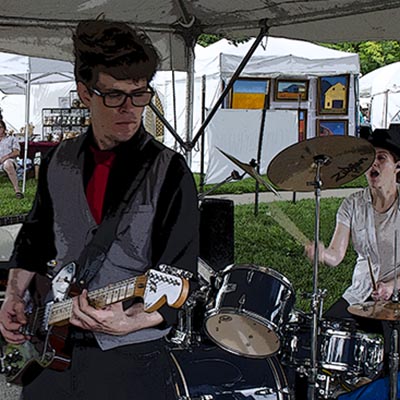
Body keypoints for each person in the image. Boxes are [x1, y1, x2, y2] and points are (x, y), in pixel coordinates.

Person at [0, 19, 199, 400]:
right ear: (84, 93)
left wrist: (130, 322)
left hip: (129, 360)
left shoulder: (170, 172)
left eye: (139, 95)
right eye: (114, 95)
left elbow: (180, 278)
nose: (130, 109)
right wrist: (14, 296)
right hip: (49, 351)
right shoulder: (59, 159)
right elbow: (36, 236)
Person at [305, 123, 400, 357]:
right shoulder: (352, 204)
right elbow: (336, 255)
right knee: (324, 335)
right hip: (360, 292)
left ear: (397, 167)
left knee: (390, 352)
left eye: (382, 158)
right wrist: (322, 253)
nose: (374, 164)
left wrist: (391, 286)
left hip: (396, 293)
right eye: (370, 159)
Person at [0, 119, 23, 198]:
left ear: (4, 128)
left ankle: (17, 191)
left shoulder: (11, 139)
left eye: (0, 127)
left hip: (8, 161)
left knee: (8, 164)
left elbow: (17, 152)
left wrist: (5, 157)